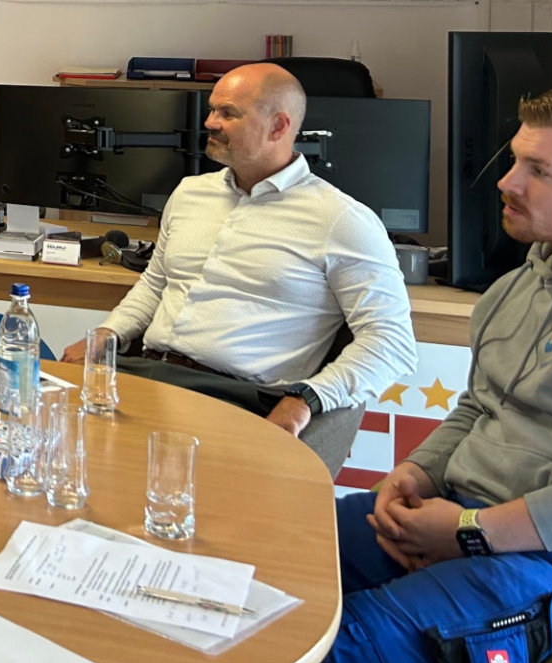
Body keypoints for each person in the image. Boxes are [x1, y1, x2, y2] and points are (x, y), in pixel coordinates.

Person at [219, 84, 552, 663]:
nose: (507, 182)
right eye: (514, 160)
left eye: (539, 170)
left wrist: (474, 532)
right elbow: (478, 406)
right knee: (248, 562)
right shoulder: (518, 286)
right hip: (471, 515)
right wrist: (415, 475)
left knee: (323, 661)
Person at [60, 63, 416, 437]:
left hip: (233, 397)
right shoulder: (190, 193)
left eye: (228, 113)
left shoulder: (342, 220)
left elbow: (391, 342)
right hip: (143, 374)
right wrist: (107, 333)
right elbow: (156, 284)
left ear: (279, 126)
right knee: (35, 434)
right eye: (213, 109)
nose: (210, 122)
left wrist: (307, 399)